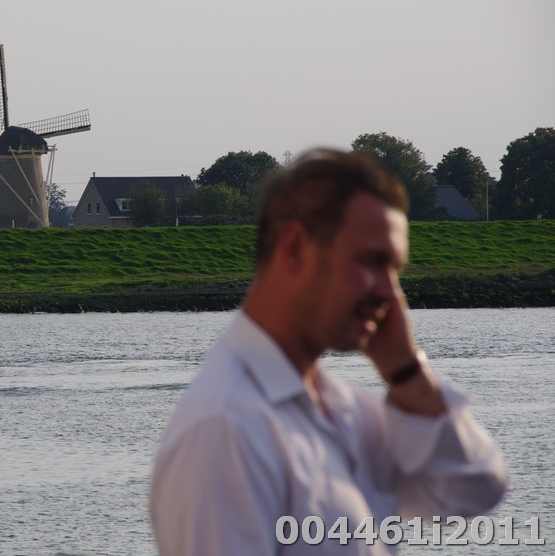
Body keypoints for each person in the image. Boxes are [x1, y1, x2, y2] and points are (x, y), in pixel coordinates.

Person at [149, 149, 507, 555]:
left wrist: (405, 368)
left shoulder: (347, 412)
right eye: (372, 262)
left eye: (395, 271)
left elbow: (475, 492)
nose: (391, 295)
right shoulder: (224, 430)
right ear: (295, 248)